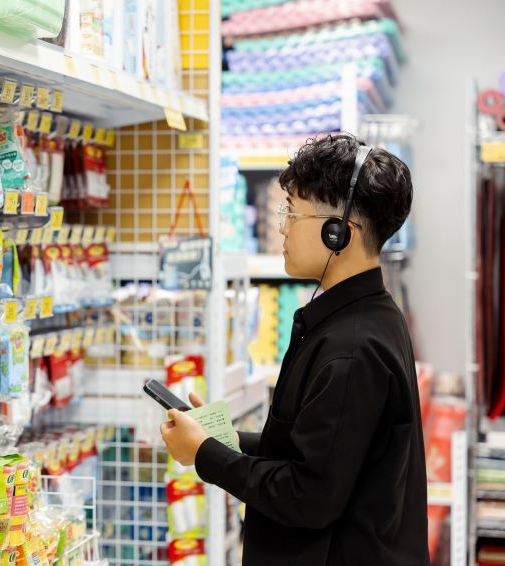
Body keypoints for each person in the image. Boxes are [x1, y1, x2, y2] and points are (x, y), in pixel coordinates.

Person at [160, 134, 428, 565]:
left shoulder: (352, 349)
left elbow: (307, 495)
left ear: (338, 232)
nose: (281, 226)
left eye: (292, 211)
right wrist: (222, 440)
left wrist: (205, 454)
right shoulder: (359, 319)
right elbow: (320, 450)